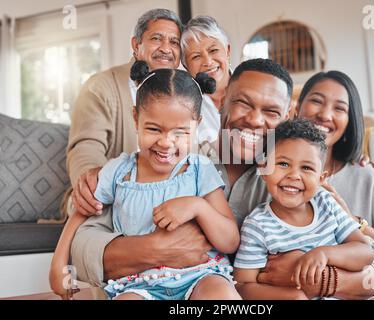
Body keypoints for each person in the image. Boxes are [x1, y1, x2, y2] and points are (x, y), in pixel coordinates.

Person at [70, 58, 374, 300]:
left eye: (271, 112)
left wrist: (324, 280)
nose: (254, 120)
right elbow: (83, 244)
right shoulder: (173, 159)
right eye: (243, 104)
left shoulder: (294, 183)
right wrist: (153, 249)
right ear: (221, 102)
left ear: (287, 117)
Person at [50, 62, 241, 300]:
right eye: (153, 129)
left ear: (197, 126)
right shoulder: (119, 171)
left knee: (221, 296)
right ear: (135, 118)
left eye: (180, 132)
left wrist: (197, 206)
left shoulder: (200, 169)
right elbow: (81, 212)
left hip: (200, 275)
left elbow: (230, 240)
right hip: (139, 283)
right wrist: (59, 264)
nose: (166, 142)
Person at [259, 70, 374, 299]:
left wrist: (357, 224)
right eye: (316, 101)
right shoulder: (268, 175)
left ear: (350, 121)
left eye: (339, 108)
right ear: (296, 108)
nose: (325, 114)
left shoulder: (367, 178)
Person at [233, 119, 374, 300]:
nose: (294, 175)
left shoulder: (325, 202)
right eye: (283, 164)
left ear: (321, 178)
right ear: (264, 168)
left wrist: (324, 253)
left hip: (348, 294)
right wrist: (294, 296)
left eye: (306, 167)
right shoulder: (257, 224)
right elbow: (243, 286)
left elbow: (365, 252)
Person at [67, 8, 183, 218]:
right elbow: (85, 146)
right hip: (111, 196)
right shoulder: (100, 86)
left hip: (166, 197)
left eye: (174, 42)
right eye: (156, 38)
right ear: (136, 46)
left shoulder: (183, 93)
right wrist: (92, 177)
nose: (166, 48)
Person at [181, 15, 231, 143]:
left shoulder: (253, 87)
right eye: (196, 57)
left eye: (213, 50)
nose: (208, 62)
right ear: (186, 66)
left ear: (227, 51)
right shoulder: (184, 106)